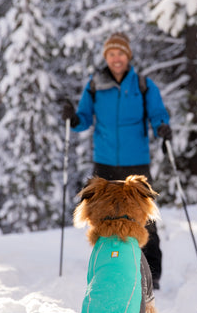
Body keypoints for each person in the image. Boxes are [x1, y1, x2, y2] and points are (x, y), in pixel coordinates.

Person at [61, 32, 173, 289]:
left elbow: (157, 113)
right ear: (106, 57)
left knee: (144, 218)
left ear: (128, 56)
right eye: (111, 54)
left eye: (120, 53)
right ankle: (107, 268)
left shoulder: (143, 85)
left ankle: (151, 274)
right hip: (105, 162)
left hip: (136, 164)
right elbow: (84, 119)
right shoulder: (95, 85)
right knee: (102, 217)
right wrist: (74, 119)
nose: (116, 58)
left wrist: (162, 128)